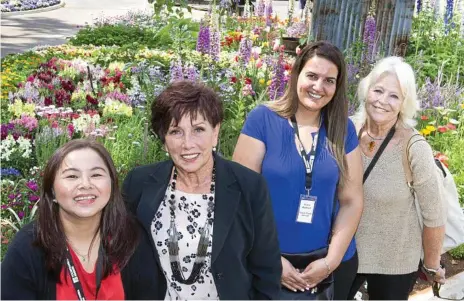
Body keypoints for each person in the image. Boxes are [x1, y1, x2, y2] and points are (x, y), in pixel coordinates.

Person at [122, 80, 282, 300]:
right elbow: (122, 258)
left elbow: (267, 273)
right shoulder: (138, 183)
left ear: (215, 132)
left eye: (198, 129)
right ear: (163, 140)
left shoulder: (250, 187)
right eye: (176, 132)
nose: (188, 144)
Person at [233, 41, 364, 300]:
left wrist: (330, 262)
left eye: (329, 80)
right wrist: (270, 258)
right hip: (265, 263)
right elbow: (240, 197)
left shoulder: (343, 129)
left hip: (321, 267)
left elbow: (352, 201)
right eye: (312, 76)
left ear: (337, 87)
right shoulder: (263, 120)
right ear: (296, 75)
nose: (318, 87)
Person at [1, 139, 160, 300]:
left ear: (112, 185)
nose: (85, 184)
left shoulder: (132, 238)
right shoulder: (29, 247)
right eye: (72, 176)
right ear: (52, 191)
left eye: (96, 174)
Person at [348, 56, 447, 300]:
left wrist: (432, 265)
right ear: (366, 90)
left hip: (395, 263)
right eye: (378, 90)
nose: (383, 101)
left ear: (404, 103)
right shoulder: (347, 131)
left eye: (394, 96)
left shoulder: (414, 147)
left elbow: (434, 213)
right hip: (344, 255)